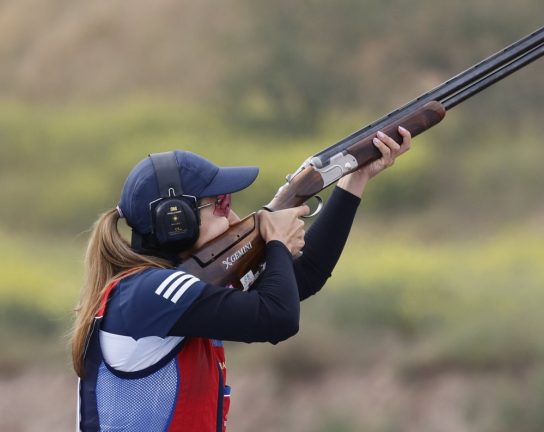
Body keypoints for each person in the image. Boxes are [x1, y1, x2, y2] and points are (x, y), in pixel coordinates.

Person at [71, 127, 412, 432]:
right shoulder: (148, 292)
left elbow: (304, 277)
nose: (233, 216)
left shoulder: (166, 291)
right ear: (177, 221)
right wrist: (276, 242)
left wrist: (354, 179)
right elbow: (277, 318)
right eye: (220, 204)